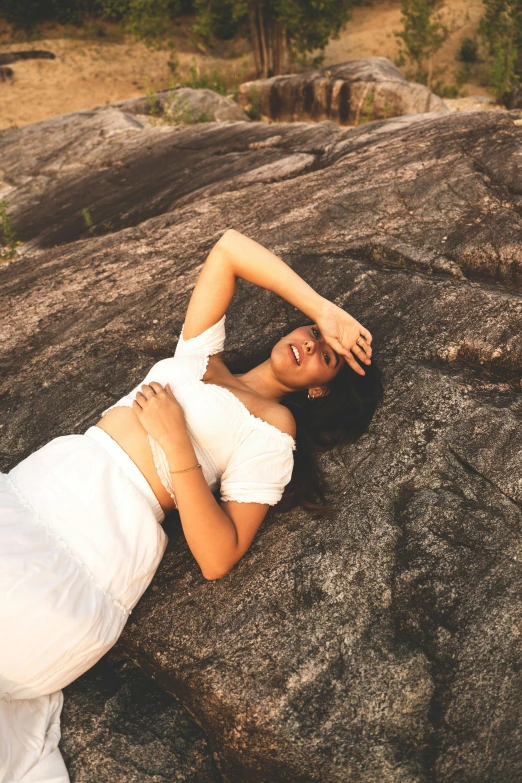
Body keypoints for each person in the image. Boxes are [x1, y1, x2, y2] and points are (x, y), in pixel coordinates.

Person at [0, 229, 383, 783]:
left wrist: (177, 443)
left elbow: (217, 556)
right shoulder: (201, 356)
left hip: (97, 536)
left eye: (326, 357)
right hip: (42, 486)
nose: (310, 344)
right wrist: (325, 311)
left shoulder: (274, 430)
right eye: (314, 334)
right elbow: (228, 248)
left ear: (321, 390)